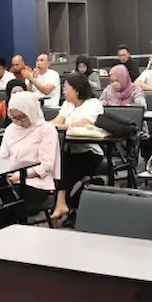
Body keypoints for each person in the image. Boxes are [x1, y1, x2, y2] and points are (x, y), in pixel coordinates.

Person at [0, 93, 60, 238]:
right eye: (14, 118)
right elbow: (1, 158)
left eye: (22, 117)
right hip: (8, 179)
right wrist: (4, 173)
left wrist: (20, 175)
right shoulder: (10, 130)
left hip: (35, 184)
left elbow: (46, 166)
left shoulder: (46, 130)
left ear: (31, 112)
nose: (19, 122)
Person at [49, 74, 105, 223]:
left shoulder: (93, 104)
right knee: (60, 164)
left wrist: (57, 126)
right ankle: (62, 206)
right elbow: (57, 121)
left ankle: (61, 204)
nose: (64, 92)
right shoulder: (67, 104)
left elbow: (83, 123)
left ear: (77, 90)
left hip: (89, 151)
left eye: (66, 88)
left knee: (64, 168)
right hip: (69, 149)